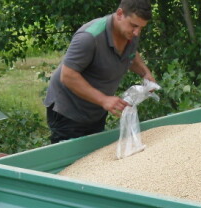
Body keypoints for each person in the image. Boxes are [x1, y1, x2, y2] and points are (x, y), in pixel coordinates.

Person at [44, 0, 156, 143]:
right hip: (68, 111)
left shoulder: (130, 32)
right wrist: (104, 100)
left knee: (94, 158)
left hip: (95, 110)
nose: (137, 32)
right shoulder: (89, 36)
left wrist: (145, 73)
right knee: (74, 163)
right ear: (120, 14)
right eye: (134, 26)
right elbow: (67, 75)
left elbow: (131, 53)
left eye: (141, 28)